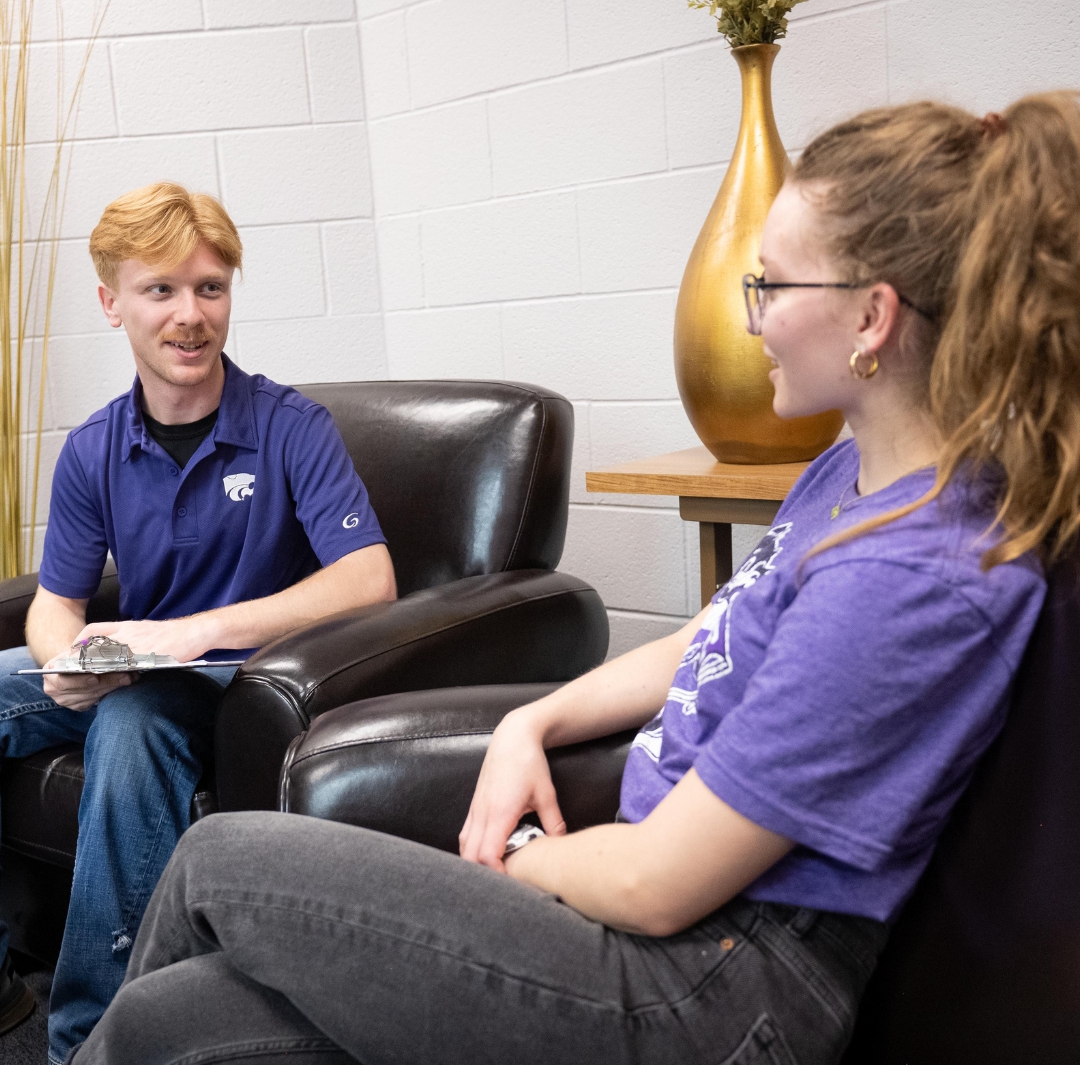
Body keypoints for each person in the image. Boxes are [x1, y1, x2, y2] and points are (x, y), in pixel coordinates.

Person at [74, 91, 1080, 1065]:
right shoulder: (855, 476)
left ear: (872, 317)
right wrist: (534, 721)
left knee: (215, 860)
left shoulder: (911, 572)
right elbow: (716, 637)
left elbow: (652, 884)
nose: (751, 318)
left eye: (769, 286)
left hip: (709, 994)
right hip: (670, 942)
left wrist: (512, 867)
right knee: (173, 1023)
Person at [0, 183, 396, 1061]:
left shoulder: (293, 428)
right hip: (132, 662)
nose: (190, 316)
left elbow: (370, 580)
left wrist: (192, 634)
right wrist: (63, 656)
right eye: (162, 291)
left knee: (134, 728)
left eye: (210, 288)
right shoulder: (94, 448)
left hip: (246, 682)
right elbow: (57, 601)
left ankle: (90, 1041)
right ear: (112, 304)